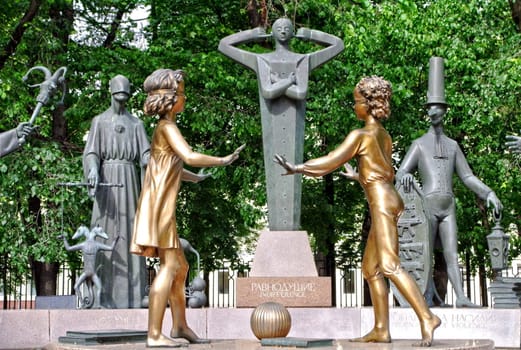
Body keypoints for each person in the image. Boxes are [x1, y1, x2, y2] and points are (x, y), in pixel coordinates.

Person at [274, 76, 440, 346]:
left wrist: (298, 168)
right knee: (370, 269)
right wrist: (359, 177)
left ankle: (426, 318)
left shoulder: (360, 135)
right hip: (389, 197)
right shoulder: (383, 135)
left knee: (388, 265)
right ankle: (381, 329)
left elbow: (330, 161)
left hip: (382, 203)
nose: (354, 107)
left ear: (369, 104)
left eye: (356, 102)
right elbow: (385, 171)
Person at [130, 68, 245, 347]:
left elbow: (171, 167)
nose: (184, 97)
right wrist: (223, 160)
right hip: (161, 209)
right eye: (181, 92)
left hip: (160, 206)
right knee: (168, 267)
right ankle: (154, 334)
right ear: (169, 98)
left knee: (180, 268)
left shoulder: (163, 130)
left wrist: (197, 178)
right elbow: (190, 156)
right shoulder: (167, 128)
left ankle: (180, 326)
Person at [396, 57, 502, 308]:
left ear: (444, 111)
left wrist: (489, 192)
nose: (432, 111)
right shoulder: (419, 144)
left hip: (448, 206)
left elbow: (467, 177)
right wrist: (407, 175)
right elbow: (400, 173)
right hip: (428, 205)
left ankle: (462, 297)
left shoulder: (453, 146)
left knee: (452, 254)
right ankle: (426, 296)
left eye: (437, 107)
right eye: (429, 107)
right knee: (426, 257)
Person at [219, 17, 343, 230]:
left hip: (294, 122)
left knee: (291, 174)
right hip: (273, 124)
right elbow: (224, 46)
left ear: (293, 32)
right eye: (279, 28)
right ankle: (278, 229)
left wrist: (311, 34)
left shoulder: (302, 59)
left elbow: (302, 91)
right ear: (273, 33)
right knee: (276, 172)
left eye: (288, 28)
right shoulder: (262, 60)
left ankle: (289, 228)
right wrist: (252, 34)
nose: (283, 30)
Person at [83, 74, 151, 309]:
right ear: (111, 94)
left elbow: (145, 154)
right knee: (104, 232)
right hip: (106, 185)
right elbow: (91, 153)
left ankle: (133, 298)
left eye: (125, 97)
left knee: (131, 232)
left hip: (130, 183)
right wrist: (93, 170)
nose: (121, 101)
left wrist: (151, 160)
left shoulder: (136, 124)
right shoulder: (99, 122)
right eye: (117, 97)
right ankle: (100, 299)